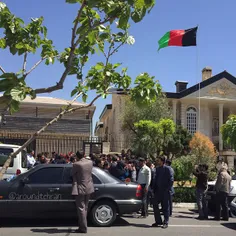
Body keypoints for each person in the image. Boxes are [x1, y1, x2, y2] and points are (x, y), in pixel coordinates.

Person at [71, 151, 94, 233]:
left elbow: (72, 174)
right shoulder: (90, 162)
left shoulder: (76, 164)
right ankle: (83, 226)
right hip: (89, 187)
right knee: (85, 208)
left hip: (80, 188)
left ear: (77, 156)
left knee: (81, 208)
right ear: (84, 155)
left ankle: (83, 228)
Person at [152, 156, 174, 229]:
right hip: (158, 191)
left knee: (165, 207)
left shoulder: (168, 169)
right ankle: (158, 221)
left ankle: (165, 222)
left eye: (159, 160)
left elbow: (171, 180)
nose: (157, 161)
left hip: (165, 191)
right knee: (155, 205)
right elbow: (155, 179)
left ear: (162, 161)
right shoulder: (157, 169)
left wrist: (167, 189)